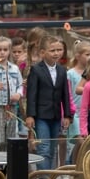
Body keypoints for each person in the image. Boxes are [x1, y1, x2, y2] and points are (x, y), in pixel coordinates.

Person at [26, 35, 75, 170]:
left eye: (59, 50)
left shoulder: (62, 70)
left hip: (56, 115)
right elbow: (31, 94)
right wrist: (30, 115)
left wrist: (67, 115)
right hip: (41, 116)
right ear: (43, 52)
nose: (56, 53)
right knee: (44, 149)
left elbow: (65, 93)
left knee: (53, 149)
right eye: (52, 50)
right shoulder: (36, 70)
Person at [0, 35, 26, 146]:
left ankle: (9, 163)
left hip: (11, 107)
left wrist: (18, 94)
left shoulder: (15, 68)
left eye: (5, 50)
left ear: (9, 51)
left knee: (11, 138)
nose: (2, 52)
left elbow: (20, 85)